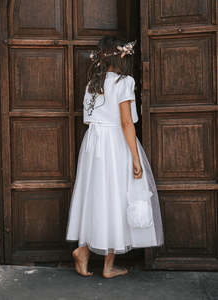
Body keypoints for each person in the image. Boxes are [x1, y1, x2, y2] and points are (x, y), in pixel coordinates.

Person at [66, 36, 163, 278]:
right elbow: (126, 121)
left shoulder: (93, 83)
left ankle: (85, 251)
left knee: (98, 197)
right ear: (122, 56)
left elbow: (90, 118)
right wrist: (136, 158)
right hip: (114, 143)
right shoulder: (124, 81)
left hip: (93, 144)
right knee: (118, 197)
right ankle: (107, 266)